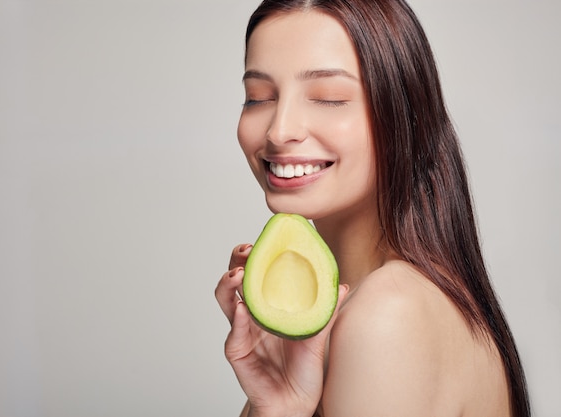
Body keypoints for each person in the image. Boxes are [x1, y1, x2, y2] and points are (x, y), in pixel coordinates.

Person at [214, 0, 531, 416]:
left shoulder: (387, 316)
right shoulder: (383, 302)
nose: (279, 130)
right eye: (258, 97)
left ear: (405, 115)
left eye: (328, 98)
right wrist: (277, 405)